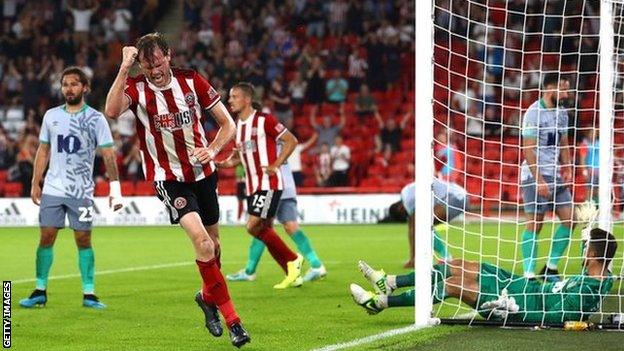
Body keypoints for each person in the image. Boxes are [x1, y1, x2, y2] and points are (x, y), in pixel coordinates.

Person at [103, 33, 249, 347]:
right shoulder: (137, 88)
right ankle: (234, 321)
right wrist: (125, 66)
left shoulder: (192, 81)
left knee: (215, 248)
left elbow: (228, 125)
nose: (154, 69)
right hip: (168, 179)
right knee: (202, 242)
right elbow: (111, 111)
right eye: (146, 64)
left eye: (157, 62)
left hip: (203, 174)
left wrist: (212, 149)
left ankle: (206, 297)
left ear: (168, 55)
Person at [350, 226, 617, 325]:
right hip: (522, 286)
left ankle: (380, 303)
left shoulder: (589, 291)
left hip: (516, 305)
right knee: (458, 264)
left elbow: (557, 318)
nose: (581, 251)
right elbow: (601, 263)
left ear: (591, 255)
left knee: (453, 286)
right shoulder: (601, 276)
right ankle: (390, 282)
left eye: (584, 248)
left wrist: (515, 313)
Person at [19, 67, 123, 310]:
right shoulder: (51, 116)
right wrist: (36, 181)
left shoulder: (96, 119)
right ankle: (39, 290)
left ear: (85, 87)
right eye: (65, 84)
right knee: (46, 237)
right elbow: (43, 150)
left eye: (74, 84)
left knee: (84, 239)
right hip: (53, 189)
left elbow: (108, 154)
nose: (69, 88)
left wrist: (115, 188)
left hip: (82, 192)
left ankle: (89, 293)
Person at [217, 82, 304, 290]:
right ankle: (293, 272)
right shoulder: (238, 127)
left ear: (247, 99)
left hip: (269, 184)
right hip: (252, 187)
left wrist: (275, 164)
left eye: (234, 96)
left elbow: (291, 140)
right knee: (263, 228)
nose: (230, 100)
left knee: (253, 226)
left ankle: (293, 260)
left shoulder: (264, 120)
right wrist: (220, 163)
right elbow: (237, 158)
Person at [227, 158, 327, 283]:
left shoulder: (267, 141)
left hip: (271, 187)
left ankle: (250, 271)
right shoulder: (279, 140)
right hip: (287, 187)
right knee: (289, 227)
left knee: (260, 227)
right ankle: (316, 265)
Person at [520, 73, 574, 282]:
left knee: (570, 219)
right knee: (535, 223)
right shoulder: (534, 113)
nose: (567, 94)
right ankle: (529, 274)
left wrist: (567, 166)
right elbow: (528, 149)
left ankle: (550, 268)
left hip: (556, 176)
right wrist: (539, 179)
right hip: (535, 176)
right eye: (564, 89)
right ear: (551, 88)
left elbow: (564, 143)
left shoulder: (563, 113)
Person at [389, 178, 467, 268]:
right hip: (457, 195)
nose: (408, 217)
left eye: (406, 215)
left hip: (455, 197)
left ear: (400, 208)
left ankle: (446, 257)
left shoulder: (408, 201)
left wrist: (413, 258)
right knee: (420, 224)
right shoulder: (405, 193)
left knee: (422, 224)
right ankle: (441, 257)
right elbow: (411, 228)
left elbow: (413, 226)